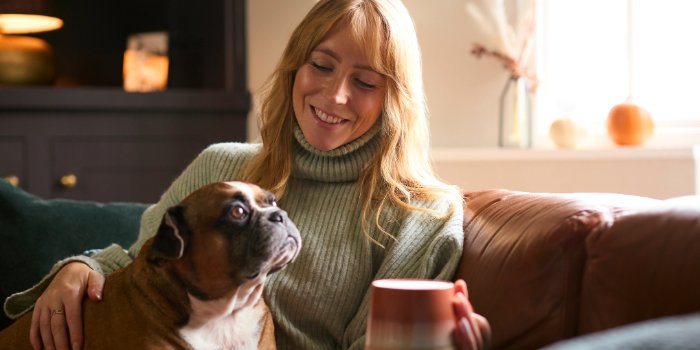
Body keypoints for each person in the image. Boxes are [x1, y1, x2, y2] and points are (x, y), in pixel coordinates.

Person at [5, 0, 491, 349]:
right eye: (321, 66)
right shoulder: (224, 166)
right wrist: (81, 268)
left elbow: (383, 343)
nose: (335, 94)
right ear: (294, 68)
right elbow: (144, 263)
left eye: (365, 82)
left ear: (395, 99)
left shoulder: (421, 213)